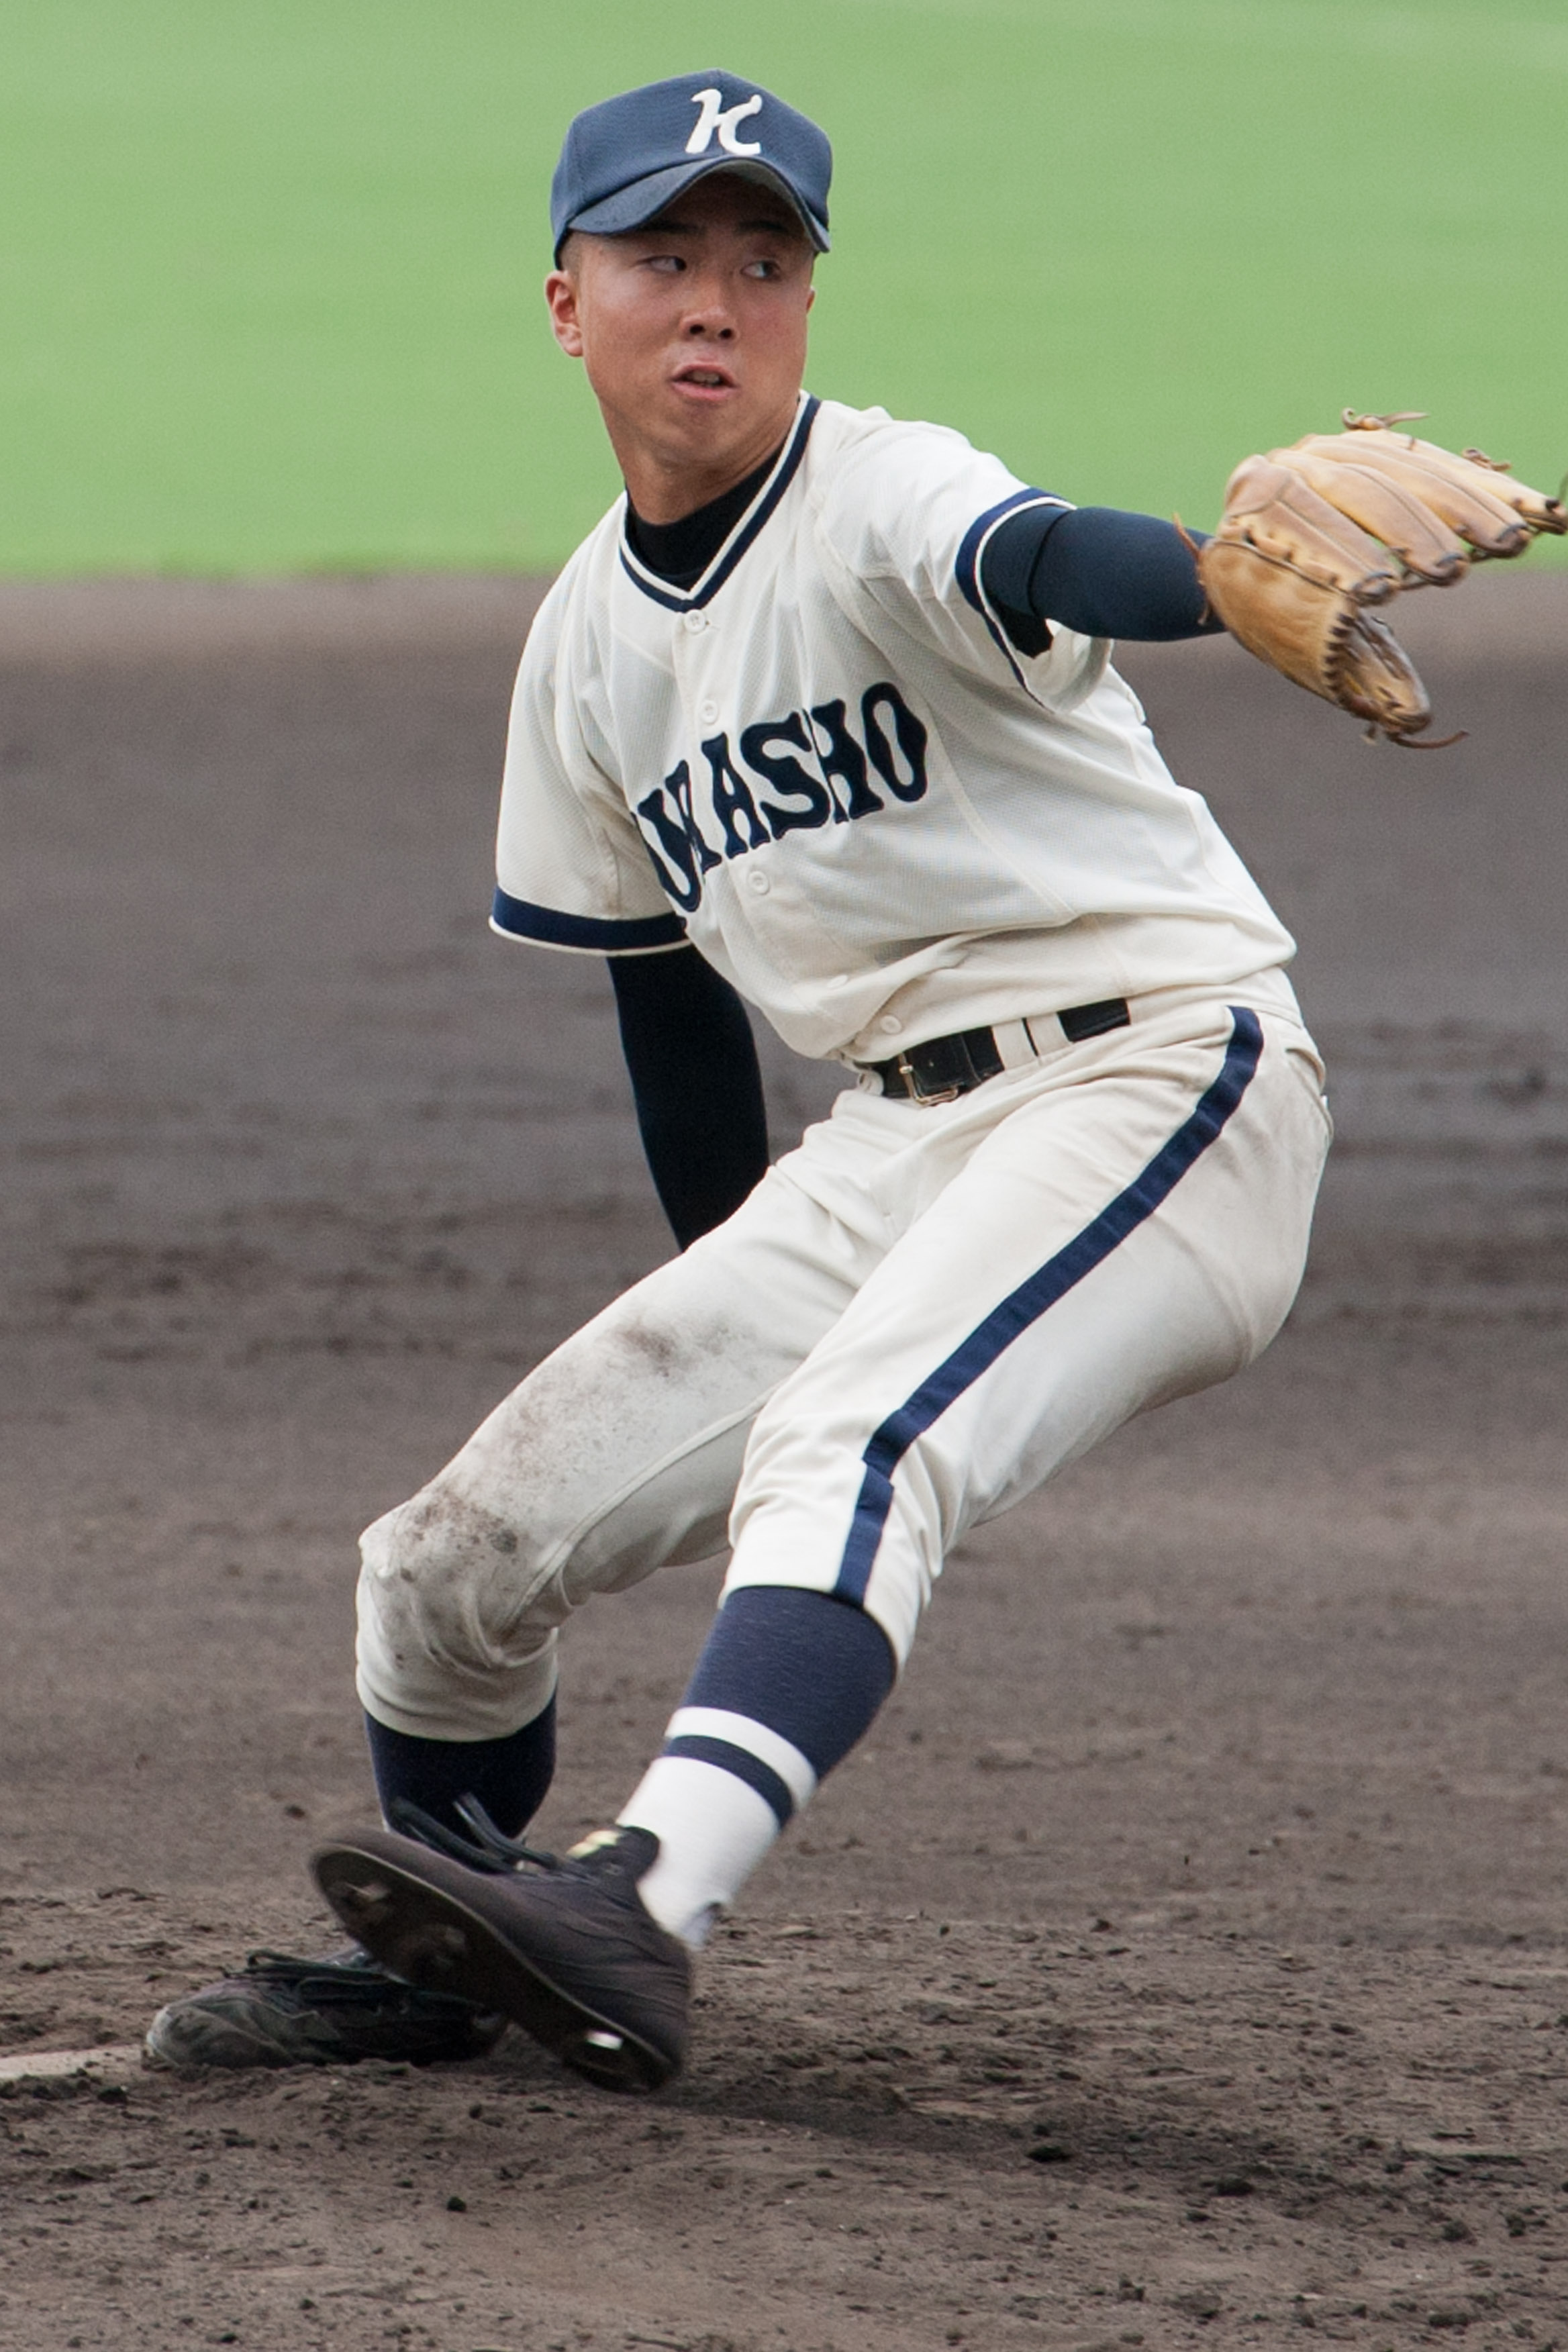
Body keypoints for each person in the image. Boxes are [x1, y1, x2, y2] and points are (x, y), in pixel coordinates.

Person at [147, 68, 1332, 2086]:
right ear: (565, 300)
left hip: (1162, 1075)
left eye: (764, 264)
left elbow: (1052, 555)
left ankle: (639, 1910)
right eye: (665, 257)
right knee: (449, 1561)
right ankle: (471, 1939)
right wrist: (740, 1302)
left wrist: (1213, 578)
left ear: (806, 307)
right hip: (893, 1140)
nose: (716, 302)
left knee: (854, 1451)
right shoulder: (587, 647)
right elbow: (671, 1012)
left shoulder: (878, 491)